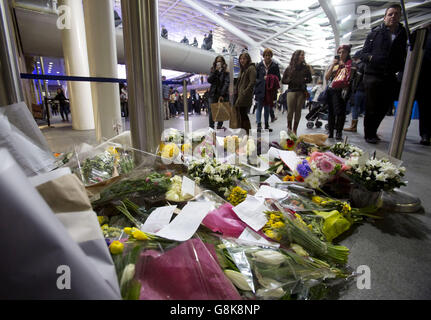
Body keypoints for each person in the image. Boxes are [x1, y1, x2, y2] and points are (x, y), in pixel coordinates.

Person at [360, 4, 407, 144]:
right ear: (385, 16)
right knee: (372, 106)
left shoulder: (403, 34)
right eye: (390, 14)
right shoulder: (375, 33)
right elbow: (363, 54)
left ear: (400, 17)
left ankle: (373, 130)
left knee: (384, 106)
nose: (393, 17)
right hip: (373, 75)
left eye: (396, 14)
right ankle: (369, 133)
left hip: (390, 75)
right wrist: (373, 58)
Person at [325, 45, 353, 140]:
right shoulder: (335, 64)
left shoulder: (349, 64)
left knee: (340, 112)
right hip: (331, 89)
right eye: (339, 52)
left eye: (343, 52)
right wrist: (333, 65)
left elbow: (349, 77)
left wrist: (343, 66)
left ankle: (339, 132)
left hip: (341, 90)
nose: (341, 54)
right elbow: (327, 77)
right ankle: (331, 131)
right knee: (331, 111)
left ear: (348, 53)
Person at [282, 50, 312, 135]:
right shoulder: (289, 68)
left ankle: (295, 130)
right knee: (290, 111)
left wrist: (305, 80)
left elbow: (310, 79)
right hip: (291, 91)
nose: (303, 56)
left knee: (298, 111)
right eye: (302, 55)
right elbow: (283, 80)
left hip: (301, 92)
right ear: (297, 56)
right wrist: (290, 80)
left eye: (303, 55)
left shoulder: (306, 68)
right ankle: (289, 129)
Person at [254, 48, 281, 132]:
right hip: (260, 90)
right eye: (266, 55)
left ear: (271, 56)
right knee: (259, 107)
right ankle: (259, 125)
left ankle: (266, 125)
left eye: (269, 55)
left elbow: (278, 78)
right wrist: (262, 80)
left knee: (267, 108)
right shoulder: (259, 65)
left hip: (270, 91)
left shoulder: (275, 66)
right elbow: (255, 78)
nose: (267, 57)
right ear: (263, 56)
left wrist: (270, 78)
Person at [233, 52, 256, 134]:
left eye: (244, 59)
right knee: (241, 114)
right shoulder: (243, 69)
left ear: (248, 59)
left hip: (245, 96)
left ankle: (246, 131)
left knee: (243, 114)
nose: (242, 60)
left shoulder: (251, 68)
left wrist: (244, 92)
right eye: (241, 59)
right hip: (241, 95)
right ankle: (244, 131)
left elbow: (252, 82)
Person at [415, 24, 431, 145]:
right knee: (424, 107)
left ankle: (426, 134)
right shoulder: (424, 35)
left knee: (425, 108)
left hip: (423, 78)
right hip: (423, 78)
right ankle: (425, 133)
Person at [345, 50, 366, 132]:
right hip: (365, 90)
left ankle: (353, 126)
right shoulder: (366, 65)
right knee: (363, 109)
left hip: (357, 90)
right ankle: (367, 129)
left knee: (355, 107)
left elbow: (353, 79)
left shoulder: (357, 66)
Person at [207, 55, 230, 129]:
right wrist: (216, 71)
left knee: (222, 111)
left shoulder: (226, 70)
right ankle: (211, 127)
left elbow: (227, 83)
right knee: (211, 111)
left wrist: (222, 94)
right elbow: (209, 80)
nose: (219, 62)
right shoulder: (213, 70)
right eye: (217, 61)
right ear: (215, 62)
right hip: (213, 93)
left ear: (223, 62)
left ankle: (219, 127)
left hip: (223, 94)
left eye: (220, 61)